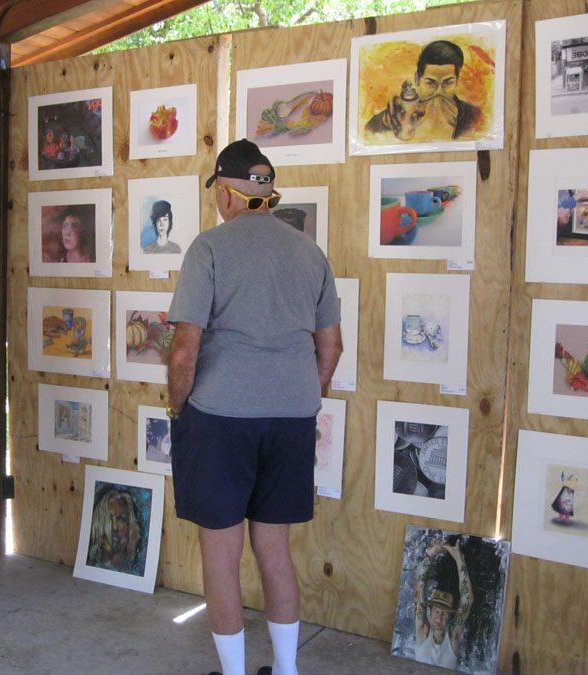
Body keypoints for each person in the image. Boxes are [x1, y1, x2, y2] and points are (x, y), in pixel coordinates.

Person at [167, 139, 343, 675]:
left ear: (226, 193)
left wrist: (179, 409)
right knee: (274, 548)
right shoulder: (310, 252)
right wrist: (299, 393)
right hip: (291, 418)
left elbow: (184, 349)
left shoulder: (210, 248)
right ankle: (287, 671)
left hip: (220, 419)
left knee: (220, 556)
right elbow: (331, 346)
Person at [367, 40, 481, 140]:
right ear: (417, 79)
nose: (439, 91)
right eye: (431, 83)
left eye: (448, 82)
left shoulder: (475, 117)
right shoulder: (392, 118)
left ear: (457, 81)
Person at [413, 540, 473, 669]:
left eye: (444, 613)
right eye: (437, 611)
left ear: (450, 617)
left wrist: (459, 560)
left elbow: (467, 601)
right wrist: (430, 554)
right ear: (430, 611)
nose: (439, 618)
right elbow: (419, 591)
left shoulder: (453, 639)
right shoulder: (422, 632)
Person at [86, 486, 145, 575]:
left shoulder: (136, 571)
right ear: (99, 524)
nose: (114, 527)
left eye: (121, 519)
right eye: (108, 519)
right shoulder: (90, 569)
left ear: (129, 525)